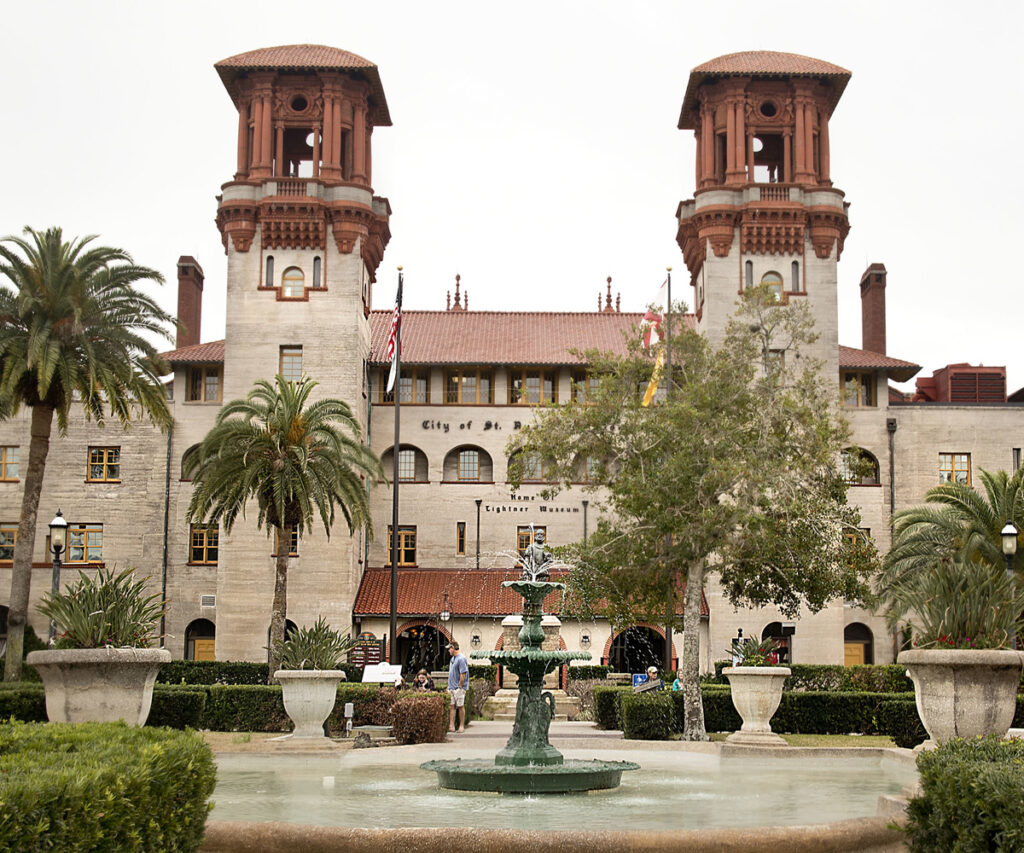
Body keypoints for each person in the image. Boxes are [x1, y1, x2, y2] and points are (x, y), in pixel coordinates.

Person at [447, 640, 469, 733]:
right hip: (451, 687)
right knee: (452, 706)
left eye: (449, 649)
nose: (448, 651)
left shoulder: (461, 658)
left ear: (453, 648)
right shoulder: (452, 659)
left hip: (459, 688)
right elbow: (451, 674)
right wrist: (449, 686)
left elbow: (463, 673)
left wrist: (460, 686)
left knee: (460, 706)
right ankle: (451, 726)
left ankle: (461, 726)